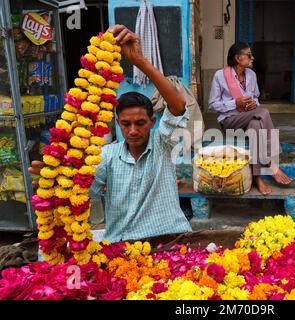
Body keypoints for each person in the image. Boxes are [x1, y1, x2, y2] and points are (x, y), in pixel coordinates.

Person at [29, 25, 192, 242]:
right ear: (117, 124)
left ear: (153, 122)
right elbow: (83, 192)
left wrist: (139, 61)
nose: (133, 131)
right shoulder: (106, 156)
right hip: (122, 242)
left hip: (171, 237)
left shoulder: (163, 144)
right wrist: (54, 183)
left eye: (140, 123)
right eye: (126, 124)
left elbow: (178, 105)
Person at [208, 43, 293, 195]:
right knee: (264, 113)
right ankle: (269, 162)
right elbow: (212, 104)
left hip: (248, 118)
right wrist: (235, 103)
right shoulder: (220, 76)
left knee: (255, 125)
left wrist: (254, 103)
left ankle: (257, 177)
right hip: (230, 121)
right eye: (248, 55)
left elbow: (256, 98)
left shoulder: (251, 75)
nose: (252, 58)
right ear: (238, 58)